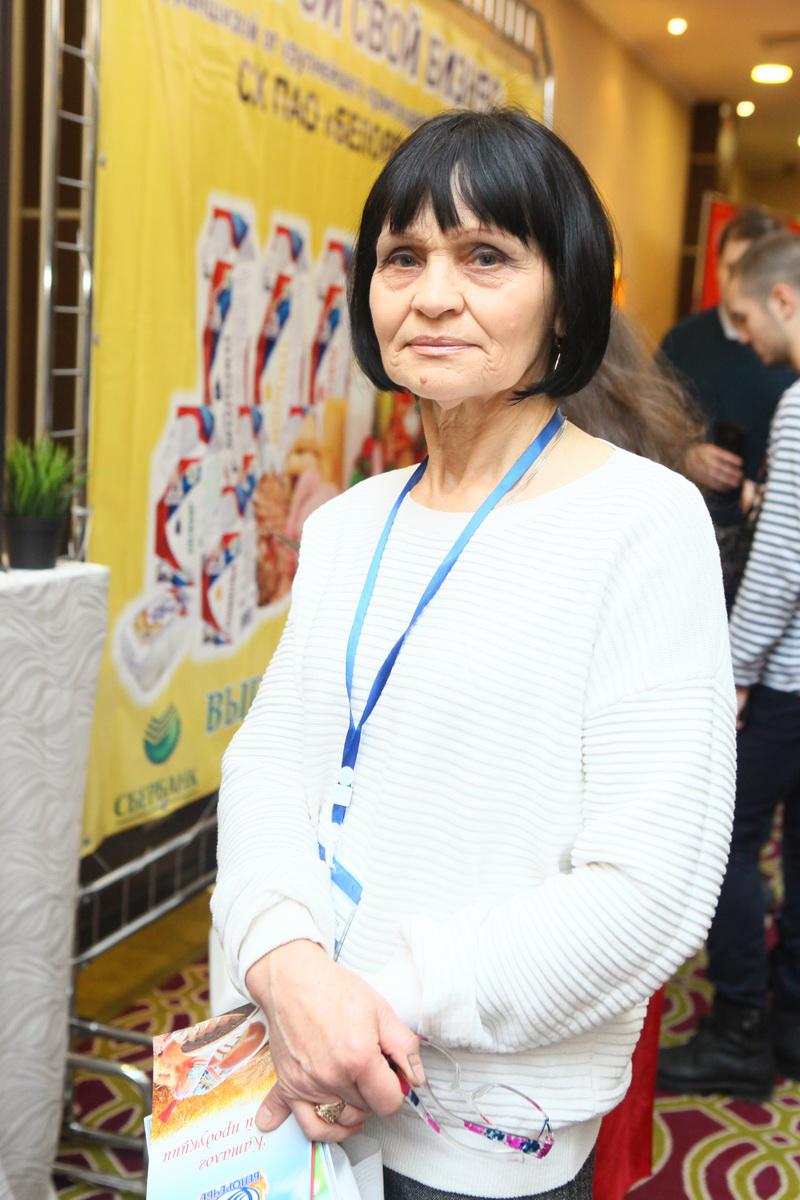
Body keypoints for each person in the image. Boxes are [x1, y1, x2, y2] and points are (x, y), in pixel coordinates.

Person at [213, 108, 735, 1200]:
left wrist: (370, 1013)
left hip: (471, 1135)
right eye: (403, 257)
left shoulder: (641, 523)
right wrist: (285, 966)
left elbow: (647, 891)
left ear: (565, 298)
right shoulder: (347, 523)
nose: (433, 294)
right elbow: (269, 765)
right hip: (280, 1079)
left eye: (486, 256)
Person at [658, 230, 800, 1101]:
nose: (742, 337)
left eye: (745, 318)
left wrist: (737, 669)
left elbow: (781, 563)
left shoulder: (799, 406)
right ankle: (789, 1019)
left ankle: (740, 1028)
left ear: (783, 300)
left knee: (729, 844)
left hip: (785, 680)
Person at [659, 209, 795, 608]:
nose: (744, 278)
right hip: (694, 529)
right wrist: (685, 455)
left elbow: (780, 571)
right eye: (735, 266)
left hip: (763, 551)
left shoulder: (792, 388)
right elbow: (642, 428)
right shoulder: (683, 340)